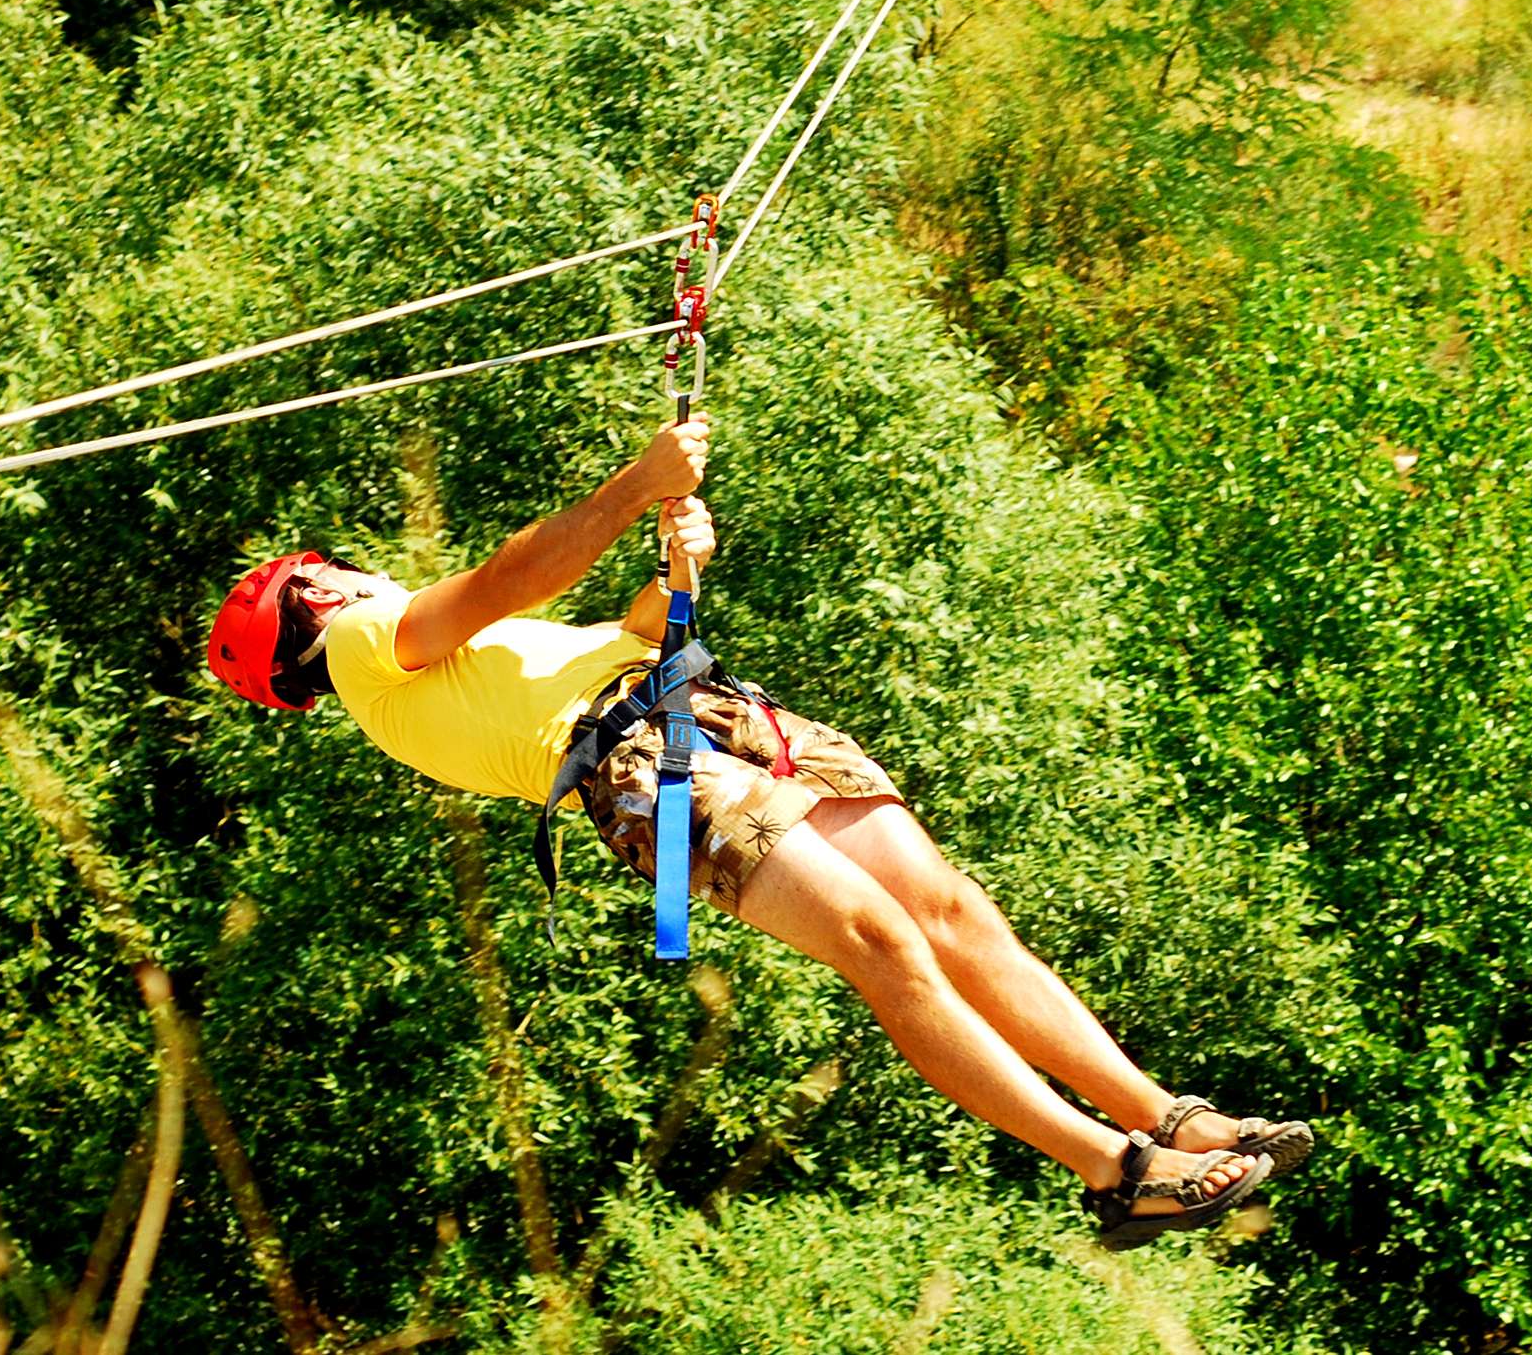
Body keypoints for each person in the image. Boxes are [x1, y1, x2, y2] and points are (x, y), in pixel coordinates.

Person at [203, 412, 1307, 1248]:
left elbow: (623, 635)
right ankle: (1114, 1168)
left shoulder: (436, 671)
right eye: (329, 569)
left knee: (953, 914)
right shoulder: (364, 645)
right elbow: (508, 577)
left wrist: (679, 564)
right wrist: (640, 481)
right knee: (886, 945)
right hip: (649, 767)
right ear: (311, 598)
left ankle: (1174, 1120)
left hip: (696, 710)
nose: (354, 567)